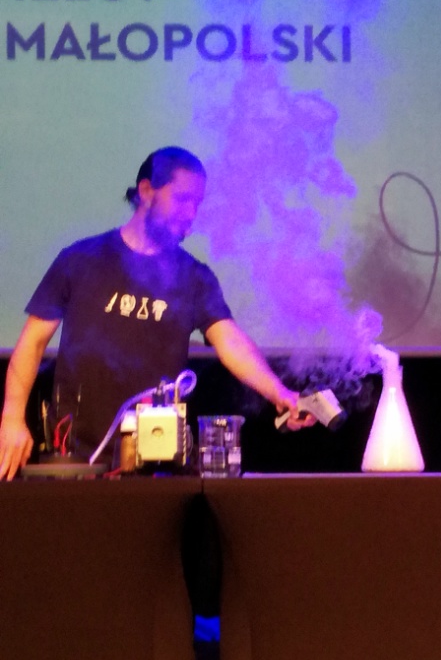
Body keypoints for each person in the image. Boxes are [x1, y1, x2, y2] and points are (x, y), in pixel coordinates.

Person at [0, 146, 313, 480]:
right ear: (147, 191)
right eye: (182, 199)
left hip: (155, 466)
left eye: (197, 203)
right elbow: (33, 342)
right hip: (74, 462)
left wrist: (280, 393)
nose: (191, 213)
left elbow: (231, 343)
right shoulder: (80, 259)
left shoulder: (194, 277)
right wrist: (12, 419)